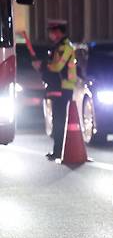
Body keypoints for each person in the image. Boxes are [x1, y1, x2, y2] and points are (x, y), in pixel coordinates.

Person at [38, 19, 77, 161]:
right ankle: (58, 151)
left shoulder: (64, 47)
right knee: (57, 119)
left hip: (64, 87)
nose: (50, 35)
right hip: (61, 87)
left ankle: (59, 151)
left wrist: (43, 66)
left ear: (58, 32)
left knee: (60, 120)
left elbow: (57, 67)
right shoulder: (59, 46)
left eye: (52, 32)